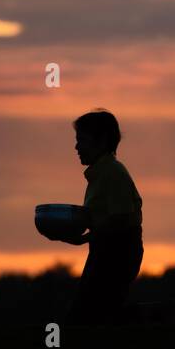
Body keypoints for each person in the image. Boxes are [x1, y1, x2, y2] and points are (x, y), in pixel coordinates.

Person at [59, 109, 143, 324]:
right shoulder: (100, 174)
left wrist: (85, 236)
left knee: (87, 314)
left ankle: (153, 319)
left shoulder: (112, 173)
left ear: (102, 141)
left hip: (117, 253)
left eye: (82, 141)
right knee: (98, 312)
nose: (77, 147)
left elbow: (123, 219)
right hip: (105, 251)